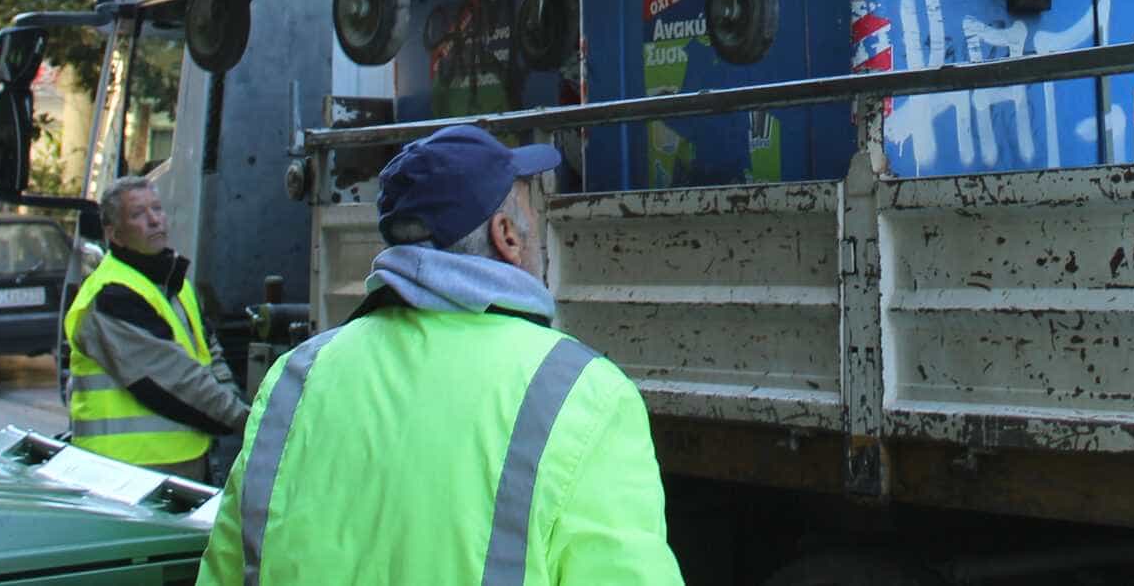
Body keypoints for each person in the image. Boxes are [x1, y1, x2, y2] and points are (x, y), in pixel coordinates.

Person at [198, 125, 682, 585]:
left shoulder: (296, 379)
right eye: (532, 213)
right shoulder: (584, 394)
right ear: (506, 236)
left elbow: (227, 569)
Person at [65, 175, 248, 480]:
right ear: (115, 234)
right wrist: (249, 422)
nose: (154, 221)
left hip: (177, 464)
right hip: (124, 473)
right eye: (137, 214)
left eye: (157, 209)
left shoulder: (174, 282)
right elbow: (176, 380)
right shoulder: (110, 295)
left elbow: (209, 353)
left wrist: (236, 407)